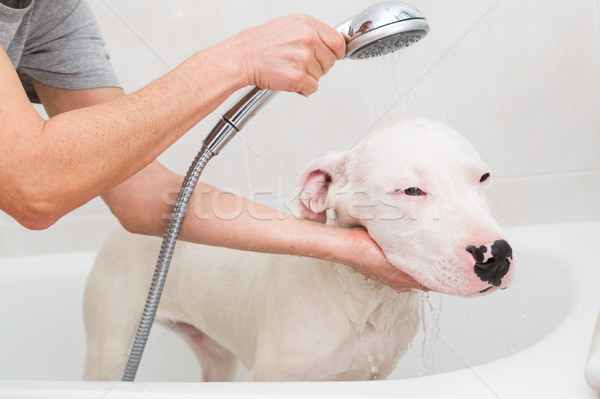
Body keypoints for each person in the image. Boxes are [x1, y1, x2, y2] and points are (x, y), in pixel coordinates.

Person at [0, 0, 425, 291]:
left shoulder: (49, 11)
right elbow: (35, 186)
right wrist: (235, 60)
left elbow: (139, 193)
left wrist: (349, 249)